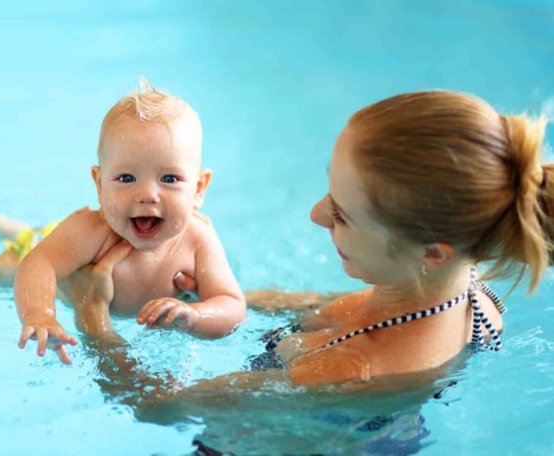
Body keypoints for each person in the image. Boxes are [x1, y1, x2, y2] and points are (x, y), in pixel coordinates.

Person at [70, 89, 552, 390]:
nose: (316, 214)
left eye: (342, 213)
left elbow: (158, 407)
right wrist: (213, 298)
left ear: (430, 252)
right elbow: (330, 307)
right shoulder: (466, 286)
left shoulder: (350, 368)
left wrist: (93, 317)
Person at [0, 79, 246, 365]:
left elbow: (230, 304)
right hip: (52, 246)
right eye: (126, 178)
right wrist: (39, 312)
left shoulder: (199, 239)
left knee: (49, 238)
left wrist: (195, 315)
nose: (147, 195)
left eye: (169, 179)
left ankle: (8, 225)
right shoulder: (92, 230)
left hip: (62, 241)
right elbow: (39, 263)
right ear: (99, 184)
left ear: (199, 188)